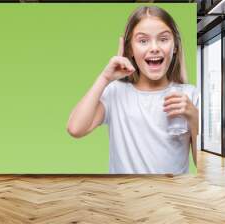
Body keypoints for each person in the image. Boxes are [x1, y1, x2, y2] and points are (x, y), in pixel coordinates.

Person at [67, 6, 199, 174]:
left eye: (163, 39)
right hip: (126, 197)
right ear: (129, 49)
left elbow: (198, 163)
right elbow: (75, 128)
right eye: (143, 41)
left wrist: (194, 119)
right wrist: (104, 78)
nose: (154, 48)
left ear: (175, 47)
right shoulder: (115, 93)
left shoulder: (189, 95)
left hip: (170, 197)